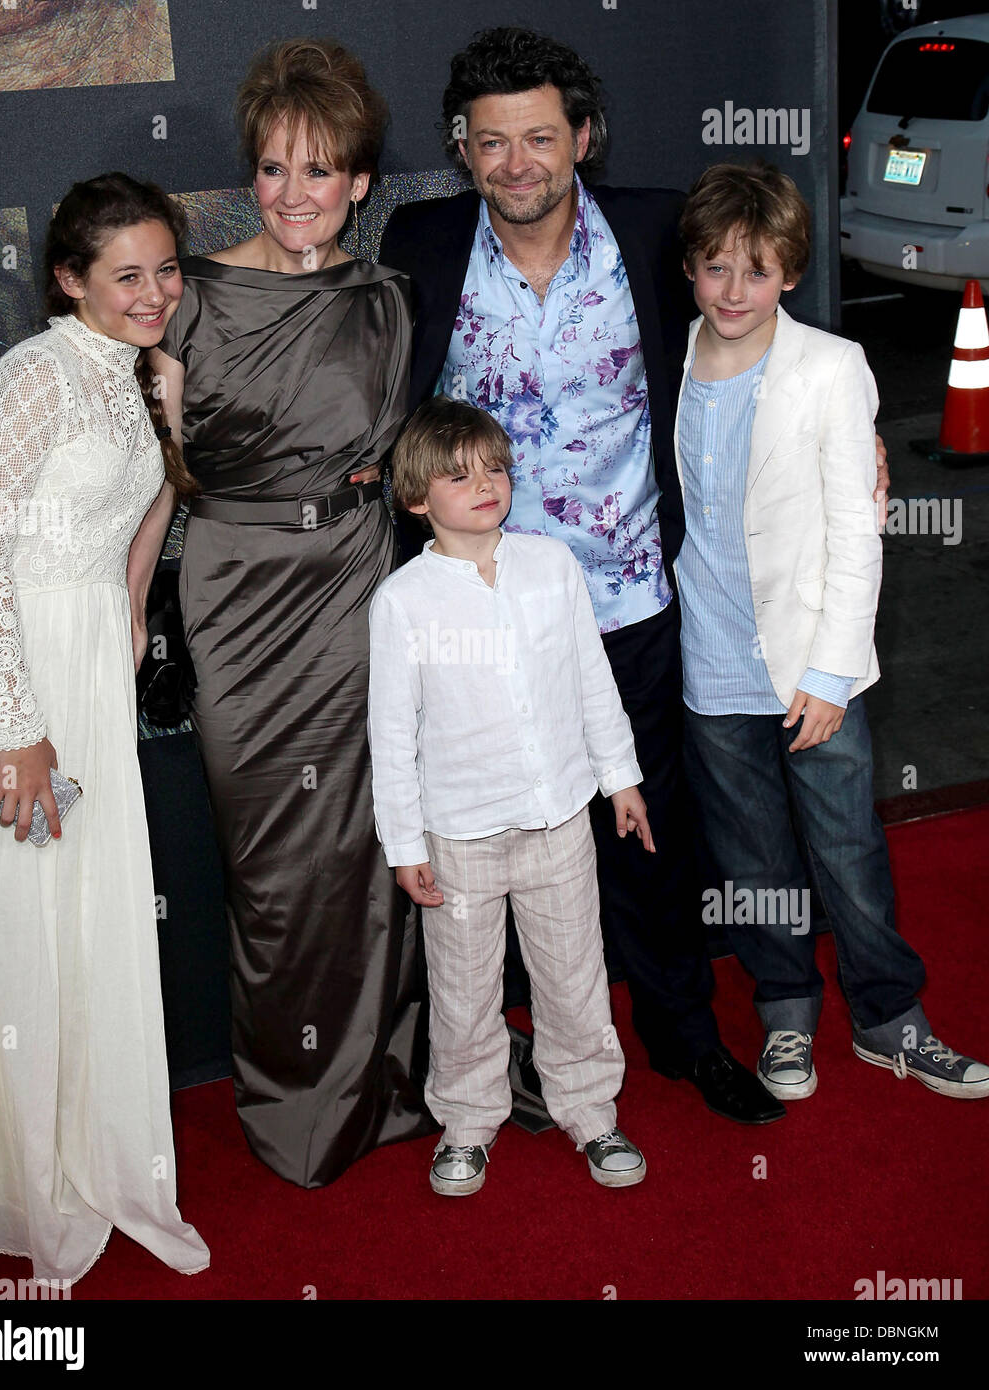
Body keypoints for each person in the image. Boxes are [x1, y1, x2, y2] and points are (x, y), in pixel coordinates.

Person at [379, 26, 784, 1124]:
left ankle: (684, 1036)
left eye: (540, 138)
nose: (517, 163)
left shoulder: (656, 232)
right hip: (477, 619)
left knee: (647, 833)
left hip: (626, 602)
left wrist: (857, 426)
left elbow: (759, 322)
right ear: (463, 150)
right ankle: (508, 1056)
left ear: (583, 139)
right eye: (492, 142)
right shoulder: (419, 240)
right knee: (491, 843)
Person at [137, 38, 435, 1189]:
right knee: (268, 864)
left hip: (352, 583)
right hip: (233, 593)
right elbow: (150, 483)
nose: (295, 194)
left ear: (362, 183)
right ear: (249, 178)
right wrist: (128, 616)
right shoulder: (191, 299)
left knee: (366, 848)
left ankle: (381, 1081)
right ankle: (294, 1101)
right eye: (274, 170)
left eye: (321, 172)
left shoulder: (385, 301)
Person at [0, 172, 209, 1287]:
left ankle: (91, 1157)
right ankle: (20, 1183)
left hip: (90, 661)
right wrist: (19, 730)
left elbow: (145, 520)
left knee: (83, 916)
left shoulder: (148, 375)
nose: (154, 293)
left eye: (167, 270)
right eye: (127, 275)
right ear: (70, 280)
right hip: (9, 679)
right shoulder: (30, 378)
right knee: (20, 924)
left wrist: (130, 625)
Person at [674, 162, 989, 1102]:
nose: (735, 292)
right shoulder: (668, 359)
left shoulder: (830, 368)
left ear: (791, 276)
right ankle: (787, 1015)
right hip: (708, 660)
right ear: (691, 269)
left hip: (813, 664)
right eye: (717, 268)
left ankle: (892, 1019)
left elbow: (859, 535)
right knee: (754, 859)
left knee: (848, 850)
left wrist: (832, 671)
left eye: (758, 271)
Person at [368, 396, 655, 1194]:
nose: (485, 484)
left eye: (495, 467)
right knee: (463, 990)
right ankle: (466, 1120)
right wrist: (406, 847)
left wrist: (620, 779)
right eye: (458, 476)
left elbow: (593, 682)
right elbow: (392, 736)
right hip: (457, 833)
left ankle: (592, 1110)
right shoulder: (403, 602)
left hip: (561, 815)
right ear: (418, 499)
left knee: (575, 976)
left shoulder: (551, 565)